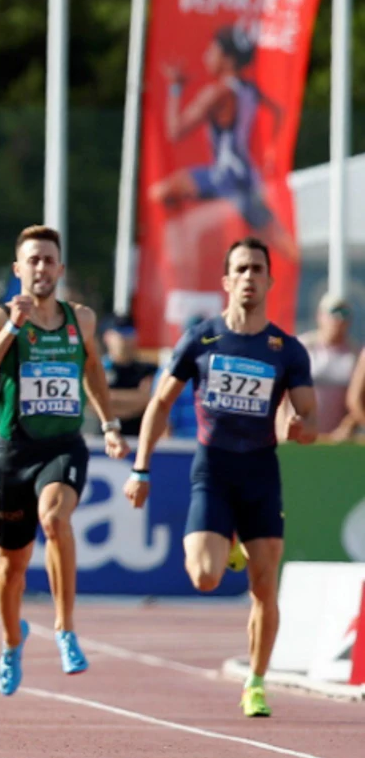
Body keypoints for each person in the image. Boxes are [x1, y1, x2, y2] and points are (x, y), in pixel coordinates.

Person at [127, 237, 316, 718]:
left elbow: (309, 423)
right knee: (206, 576)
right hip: (212, 470)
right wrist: (141, 468)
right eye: (241, 269)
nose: (250, 277)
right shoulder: (201, 339)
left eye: (258, 269)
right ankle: (226, 540)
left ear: (269, 281)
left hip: (260, 473)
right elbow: (160, 404)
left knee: (264, 587)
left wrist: (300, 427)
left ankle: (255, 682)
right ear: (227, 282)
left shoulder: (287, 350)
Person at [0, 226, 124, 695]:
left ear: (60, 269)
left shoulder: (82, 320)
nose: (40, 268)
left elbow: (92, 366)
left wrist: (110, 426)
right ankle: (13, 641)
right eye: (32, 260)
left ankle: (65, 629)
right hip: (14, 451)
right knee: (11, 566)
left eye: (48, 260)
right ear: (18, 269)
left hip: (63, 446)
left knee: (55, 519)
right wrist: (13, 328)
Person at [150, 26, 298, 266]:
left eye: (212, 50)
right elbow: (279, 112)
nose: (206, 56)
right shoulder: (249, 88)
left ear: (228, 59)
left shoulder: (218, 93)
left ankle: (186, 252)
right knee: (276, 240)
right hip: (243, 176)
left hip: (227, 177)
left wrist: (175, 88)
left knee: (279, 241)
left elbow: (175, 131)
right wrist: (272, 150)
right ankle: (195, 243)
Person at [305, 293, 359, 441]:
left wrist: (347, 426)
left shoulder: (356, 355)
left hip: (337, 441)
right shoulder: (302, 348)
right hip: (300, 436)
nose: (339, 319)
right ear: (320, 316)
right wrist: (284, 424)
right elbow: (282, 391)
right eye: (334, 312)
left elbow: (360, 398)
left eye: (345, 314)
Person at [102, 316, 157, 438]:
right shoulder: (97, 370)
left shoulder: (148, 370)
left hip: (139, 437)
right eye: (120, 333)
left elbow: (152, 401)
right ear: (107, 337)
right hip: (102, 439)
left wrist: (109, 398)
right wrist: (137, 397)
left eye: (129, 333)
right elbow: (93, 401)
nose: (125, 339)